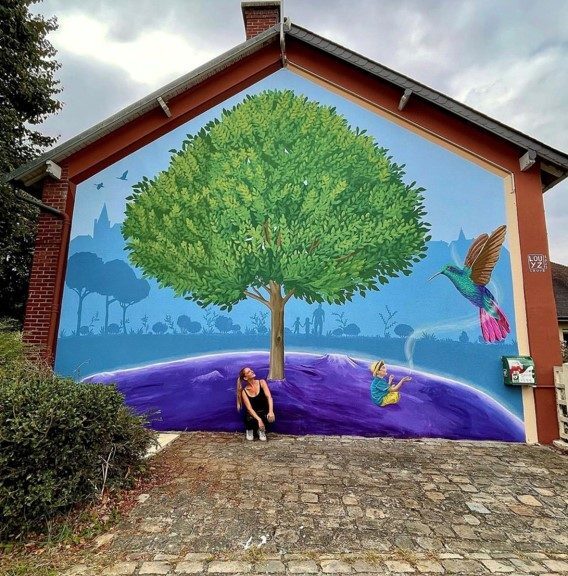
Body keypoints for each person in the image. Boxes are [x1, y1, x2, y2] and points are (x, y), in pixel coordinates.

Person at [236, 367, 275, 441]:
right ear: (245, 378)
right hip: (252, 415)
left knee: (268, 417)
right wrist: (259, 420)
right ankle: (249, 430)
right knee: (249, 419)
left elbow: (269, 397)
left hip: (263, 412)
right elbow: (249, 408)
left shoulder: (262, 382)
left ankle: (260, 430)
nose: (252, 371)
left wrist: (271, 411)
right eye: (249, 372)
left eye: (251, 370)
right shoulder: (244, 391)